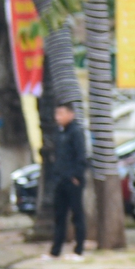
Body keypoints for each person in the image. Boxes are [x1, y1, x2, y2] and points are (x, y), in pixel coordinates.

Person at [45, 99, 90, 259]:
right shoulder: (59, 133)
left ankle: (79, 249)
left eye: (61, 113)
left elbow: (81, 156)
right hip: (60, 179)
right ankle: (55, 250)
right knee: (59, 216)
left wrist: (76, 176)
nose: (58, 117)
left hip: (73, 180)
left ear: (71, 114)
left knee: (77, 214)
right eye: (57, 113)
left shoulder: (76, 132)